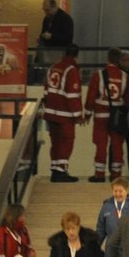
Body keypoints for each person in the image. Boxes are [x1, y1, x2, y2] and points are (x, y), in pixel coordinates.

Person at [86, 48, 129, 182]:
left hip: (101, 115)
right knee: (117, 144)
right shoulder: (125, 77)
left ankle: (99, 174)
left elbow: (91, 96)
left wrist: (88, 113)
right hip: (117, 116)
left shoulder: (99, 75)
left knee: (101, 144)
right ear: (119, 60)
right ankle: (116, 174)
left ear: (108, 58)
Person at [44, 44, 83, 182]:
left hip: (50, 113)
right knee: (66, 142)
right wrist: (78, 115)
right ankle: (61, 171)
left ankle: (55, 169)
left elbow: (46, 90)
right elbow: (72, 95)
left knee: (55, 142)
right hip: (65, 114)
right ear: (77, 55)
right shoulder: (71, 70)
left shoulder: (53, 67)